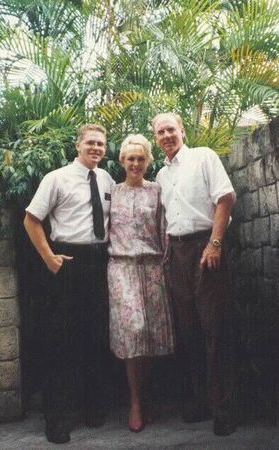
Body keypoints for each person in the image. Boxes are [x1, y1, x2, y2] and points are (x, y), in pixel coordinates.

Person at [24, 124, 115, 444]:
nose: (96, 148)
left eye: (101, 144)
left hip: (99, 262)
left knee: (94, 337)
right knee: (62, 342)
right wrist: (49, 258)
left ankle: (91, 409)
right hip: (67, 263)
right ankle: (57, 419)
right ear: (77, 146)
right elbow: (31, 219)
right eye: (90, 142)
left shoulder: (106, 179)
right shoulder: (56, 178)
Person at [152, 112, 236, 436]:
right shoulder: (160, 175)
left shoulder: (203, 157)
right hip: (177, 253)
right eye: (160, 132)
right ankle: (200, 402)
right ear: (156, 138)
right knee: (189, 334)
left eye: (171, 129)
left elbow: (225, 198)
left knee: (216, 328)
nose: (166, 135)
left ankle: (225, 408)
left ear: (182, 130)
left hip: (205, 247)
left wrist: (214, 244)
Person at [108, 134, 175, 433]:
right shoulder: (111, 193)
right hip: (122, 268)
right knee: (133, 330)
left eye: (141, 158)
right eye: (130, 158)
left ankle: (146, 396)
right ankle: (135, 401)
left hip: (152, 268)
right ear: (122, 161)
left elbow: (166, 229)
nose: (135, 163)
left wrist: (166, 266)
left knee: (150, 335)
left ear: (148, 160)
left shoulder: (158, 191)